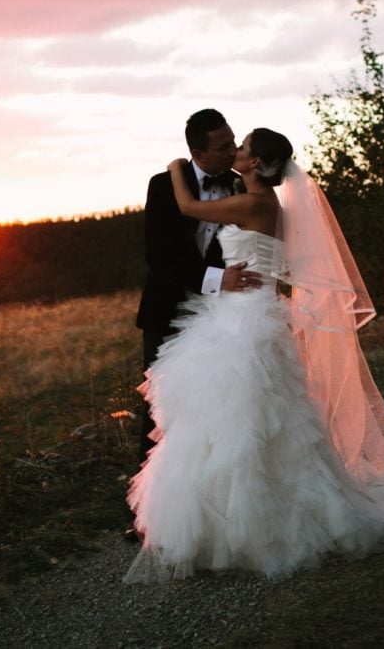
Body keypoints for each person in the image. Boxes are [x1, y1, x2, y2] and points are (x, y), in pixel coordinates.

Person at [125, 128, 384, 582]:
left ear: (257, 163)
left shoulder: (254, 203)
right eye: (230, 145)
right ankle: (231, 521)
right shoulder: (269, 203)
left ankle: (245, 527)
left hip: (244, 318)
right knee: (251, 418)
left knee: (244, 419)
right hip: (246, 311)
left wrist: (175, 166)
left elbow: (189, 207)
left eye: (242, 147)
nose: (235, 152)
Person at [129, 109, 262, 542]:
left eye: (233, 142)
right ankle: (147, 521)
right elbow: (161, 257)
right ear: (196, 151)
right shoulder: (164, 185)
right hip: (169, 312)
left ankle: (207, 510)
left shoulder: (240, 187)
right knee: (159, 410)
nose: (231, 151)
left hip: (216, 318)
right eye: (223, 147)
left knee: (210, 410)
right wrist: (216, 279)